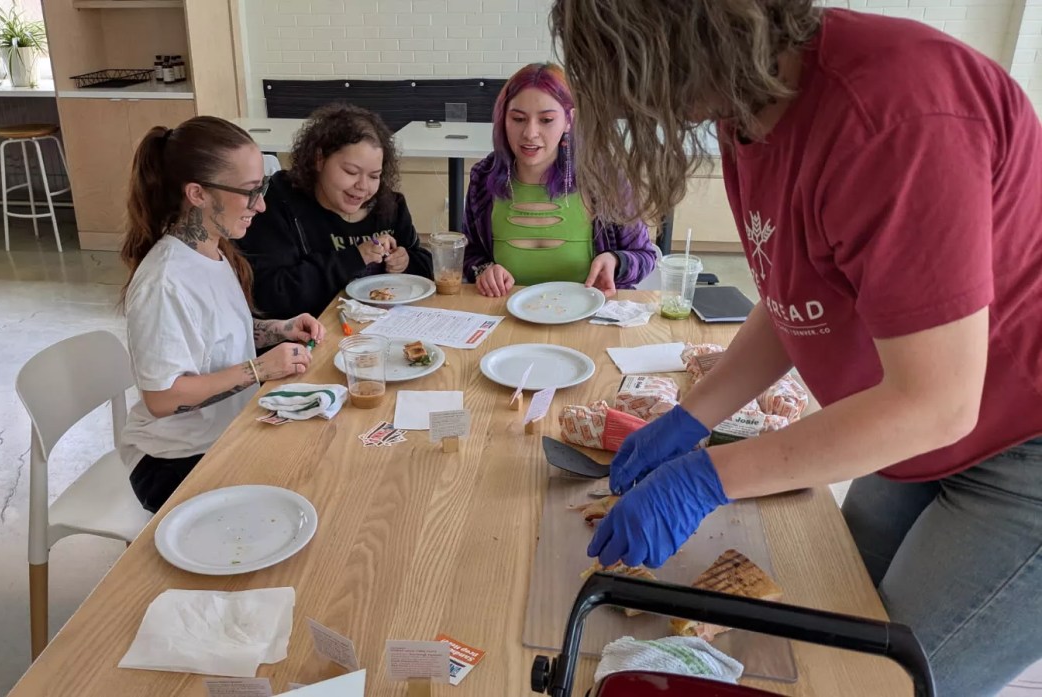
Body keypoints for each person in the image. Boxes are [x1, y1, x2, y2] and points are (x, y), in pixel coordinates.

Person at [552, 1, 1042, 694]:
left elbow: (937, 402)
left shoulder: (891, 115)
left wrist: (707, 478)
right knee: (825, 630)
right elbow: (796, 298)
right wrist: (691, 417)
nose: (640, 105)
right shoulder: (744, 105)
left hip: (1021, 449)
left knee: (877, 681)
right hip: (915, 429)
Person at [118, 116, 326, 513]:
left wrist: (279, 329)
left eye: (263, 187)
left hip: (225, 433)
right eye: (250, 192)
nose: (261, 205)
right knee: (309, 490)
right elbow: (162, 398)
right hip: (173, 460)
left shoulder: (213, 249)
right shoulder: (164, 282)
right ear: (197, 194)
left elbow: (216, 337)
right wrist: (260, 369)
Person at [461, 62, 656, 298]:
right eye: (518, 119)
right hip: (504, 312)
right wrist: (484, 270)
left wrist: (615, 261)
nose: (530, 133)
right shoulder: (484, 177)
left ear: (569, 120)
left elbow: (645, 257)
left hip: (588, 314)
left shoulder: (603, 178)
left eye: (546, 120)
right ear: (504, 119)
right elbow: (469, 253)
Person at [238, 104, 434, 319]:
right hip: (310, 332)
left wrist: (405, 262)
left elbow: (426, 267)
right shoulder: (279, 204)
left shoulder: (388, 205)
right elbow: (271, 295)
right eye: (351, 172)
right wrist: (354, 258)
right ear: (319, 159)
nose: (363, 187)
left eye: (374, 176)